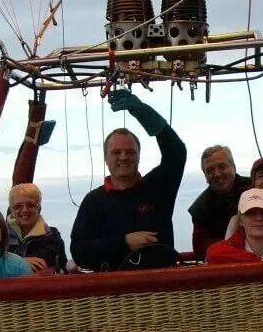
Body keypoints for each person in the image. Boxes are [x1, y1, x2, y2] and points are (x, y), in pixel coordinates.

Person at [70, 89, 187, 271]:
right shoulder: (93, 201)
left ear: (139, 156)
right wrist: (125, 242)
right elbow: (79, 250)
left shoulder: (158, 187)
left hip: (163, 291)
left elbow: (176, 152)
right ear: (106, 158)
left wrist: (142, 111)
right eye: (116, 152)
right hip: (114, 293)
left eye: (130, 152)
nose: (123, 157)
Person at [187, 145, 250, 259]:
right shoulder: (200, 209)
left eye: (222, 167)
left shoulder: (255, 189)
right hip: (229, 265)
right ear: (205, 176)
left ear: (234, 167)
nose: (217, 174)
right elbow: (202, 250)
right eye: (210, 170)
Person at [6, 183, 68, 273]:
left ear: (39, 208)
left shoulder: (51, 235)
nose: (25, 210)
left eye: (30, 205)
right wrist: (21, 261)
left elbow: (47, 261)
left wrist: (10, 260)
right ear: (11, 210)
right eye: (18, 206)